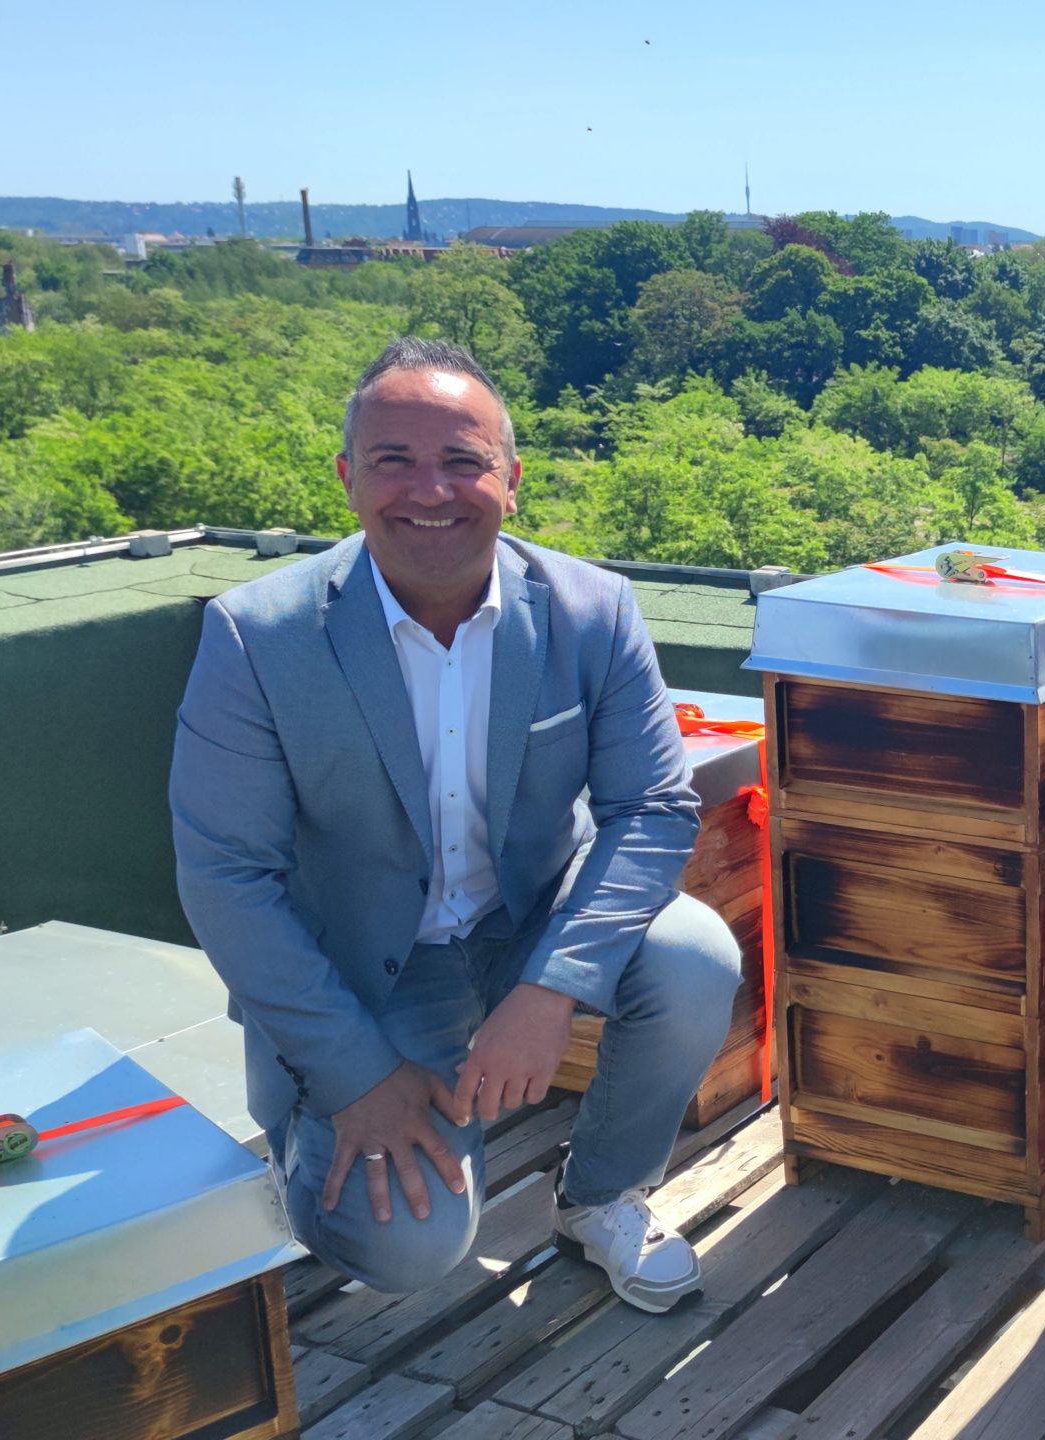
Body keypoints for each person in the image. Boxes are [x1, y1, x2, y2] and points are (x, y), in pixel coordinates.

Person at [171, 337, 740, 1312]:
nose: (429, 489)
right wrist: (357, 1078)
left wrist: (552, 989)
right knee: (409, 1250)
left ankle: (601, 1195)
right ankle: (301, 1140)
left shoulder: (591, 610)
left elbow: (649, 808)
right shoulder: (257, 637)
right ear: (349, 479)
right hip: (370, 966)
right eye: (394, 460)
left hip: (528, 920)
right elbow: (228, 877)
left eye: (462, 461)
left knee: (694, 959)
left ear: (510, 481)